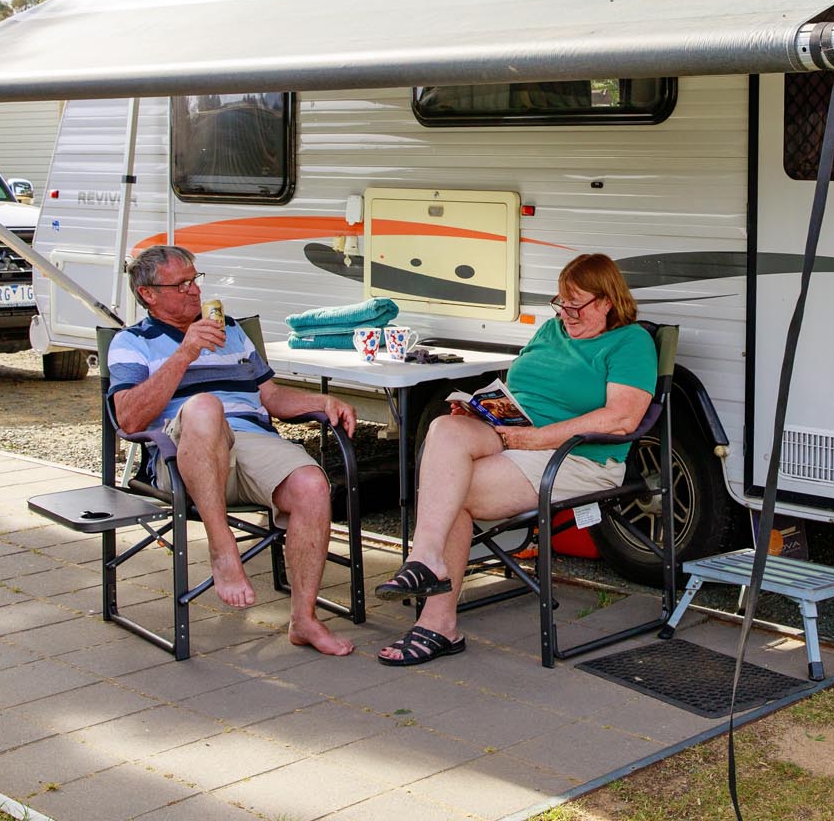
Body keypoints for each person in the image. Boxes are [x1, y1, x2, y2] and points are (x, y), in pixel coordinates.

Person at [376, 252, 656, 667]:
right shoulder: (551, 330)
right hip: (515, 433)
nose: (566, 314)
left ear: (607, 302)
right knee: (445, 428)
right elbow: (522, 386)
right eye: (561, 303)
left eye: (576, 305)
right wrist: (482, 409)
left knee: (450, 490)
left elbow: (622, 418)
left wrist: (537, 438)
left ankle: (438, 623)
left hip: (576, 458)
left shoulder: (631, 343)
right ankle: (427, 559)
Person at [108, 245, 357, 657]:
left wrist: (322, 402)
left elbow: (270, 397)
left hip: (249, 442)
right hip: (182, 453)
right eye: (181, 284)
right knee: (206, 407)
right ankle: (222, 548)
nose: (194, 291)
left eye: (195, 280)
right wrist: (186, 352)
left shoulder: (232, 331)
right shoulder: (131, 342)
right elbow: (129, 420)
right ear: (148, 294)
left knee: (311, 485)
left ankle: (304, 619)